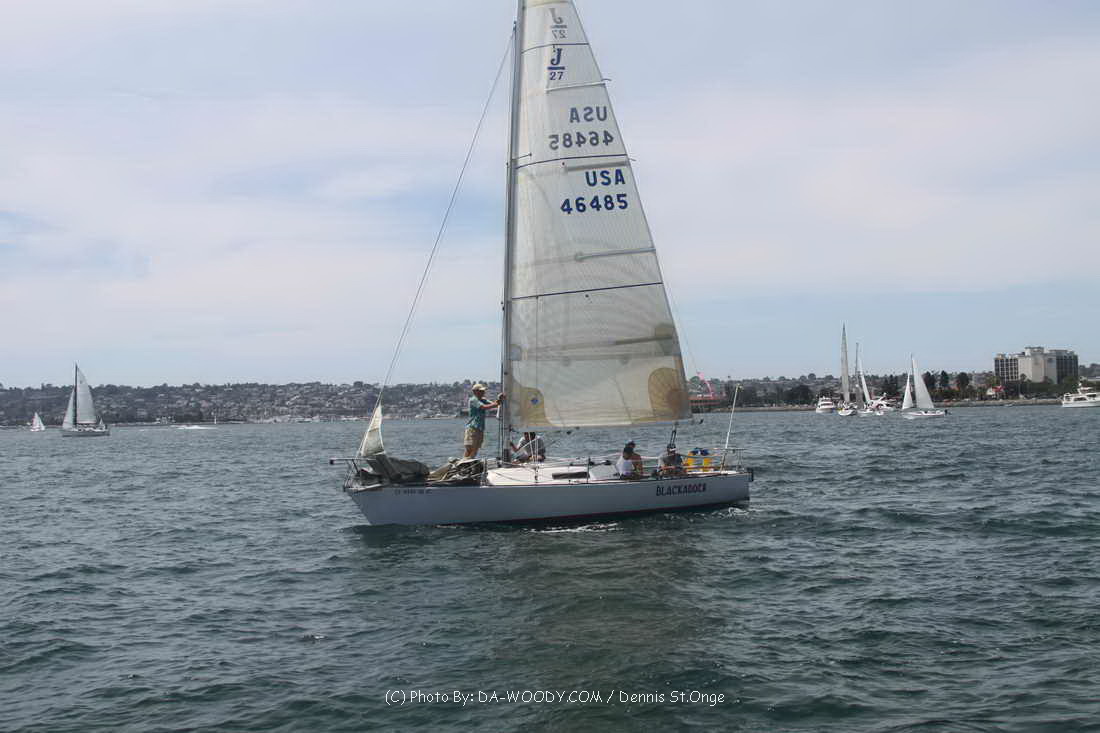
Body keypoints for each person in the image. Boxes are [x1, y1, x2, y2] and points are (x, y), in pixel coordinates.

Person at [464, 383, 505, 458]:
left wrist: (499, 400)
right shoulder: (473, 400)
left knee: (476, 448)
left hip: (480, 428)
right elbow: (483, 407)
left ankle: (469, 460)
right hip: (472, 427)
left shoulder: (483, 399)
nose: (483, 392)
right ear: (475, 391)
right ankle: (465, 461)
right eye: (480, 391)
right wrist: (497, 403)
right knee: (470, 447)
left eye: (483, 391)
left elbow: (493, 404)